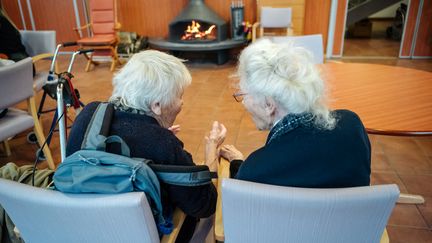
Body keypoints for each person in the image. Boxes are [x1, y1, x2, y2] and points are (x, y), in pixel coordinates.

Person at [67, 50, 226, 243]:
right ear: (157, 105)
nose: (182, 102)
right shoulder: (162, 143)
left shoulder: (89, 114)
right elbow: (204, 203)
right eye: (179, 95)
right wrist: (211, 152)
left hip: (84, 229)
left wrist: (157, 136)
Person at [217, 39, 371, 188]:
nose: (243, 102)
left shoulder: (256, 169)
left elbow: (243, 191)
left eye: (243, 95)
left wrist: (238, 163)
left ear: (269, 104)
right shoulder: (353, 126)